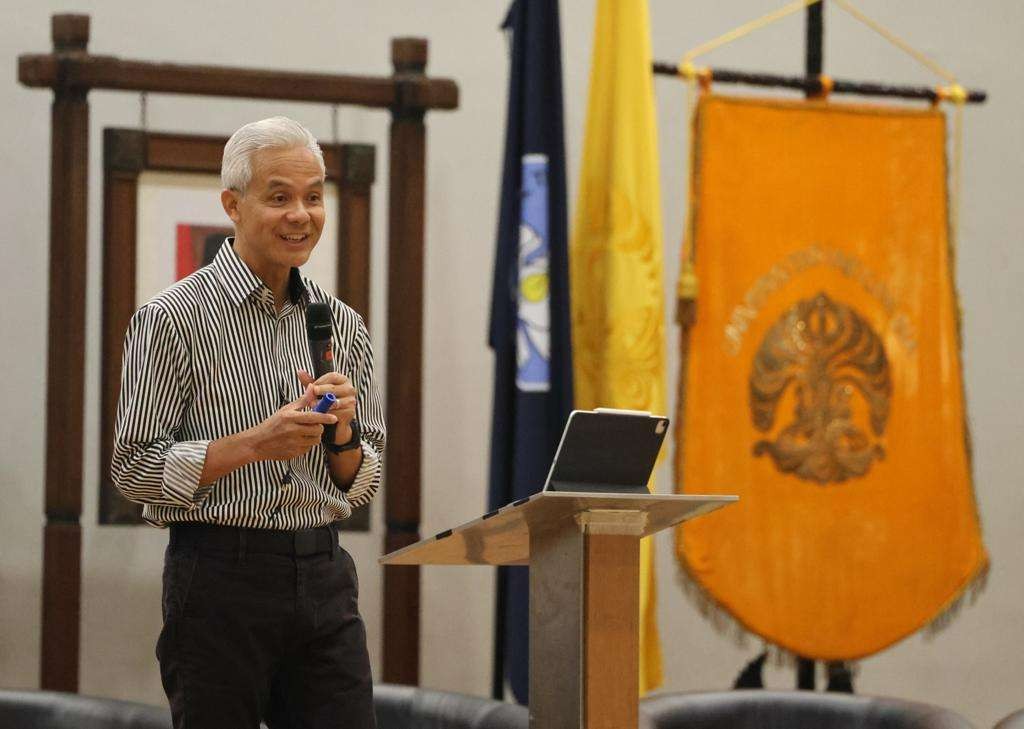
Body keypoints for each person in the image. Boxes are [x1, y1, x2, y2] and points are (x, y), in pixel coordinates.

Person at [112, 116, 385, 729]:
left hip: (324, 574)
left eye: (314, 197)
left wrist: (342, 436)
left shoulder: (343, 324)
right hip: (217, 578)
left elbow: (363, 477)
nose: (302, 215)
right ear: (233, 206)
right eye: (280, 197)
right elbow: (133, 469)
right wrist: (257, 443)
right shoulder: (172, 318)